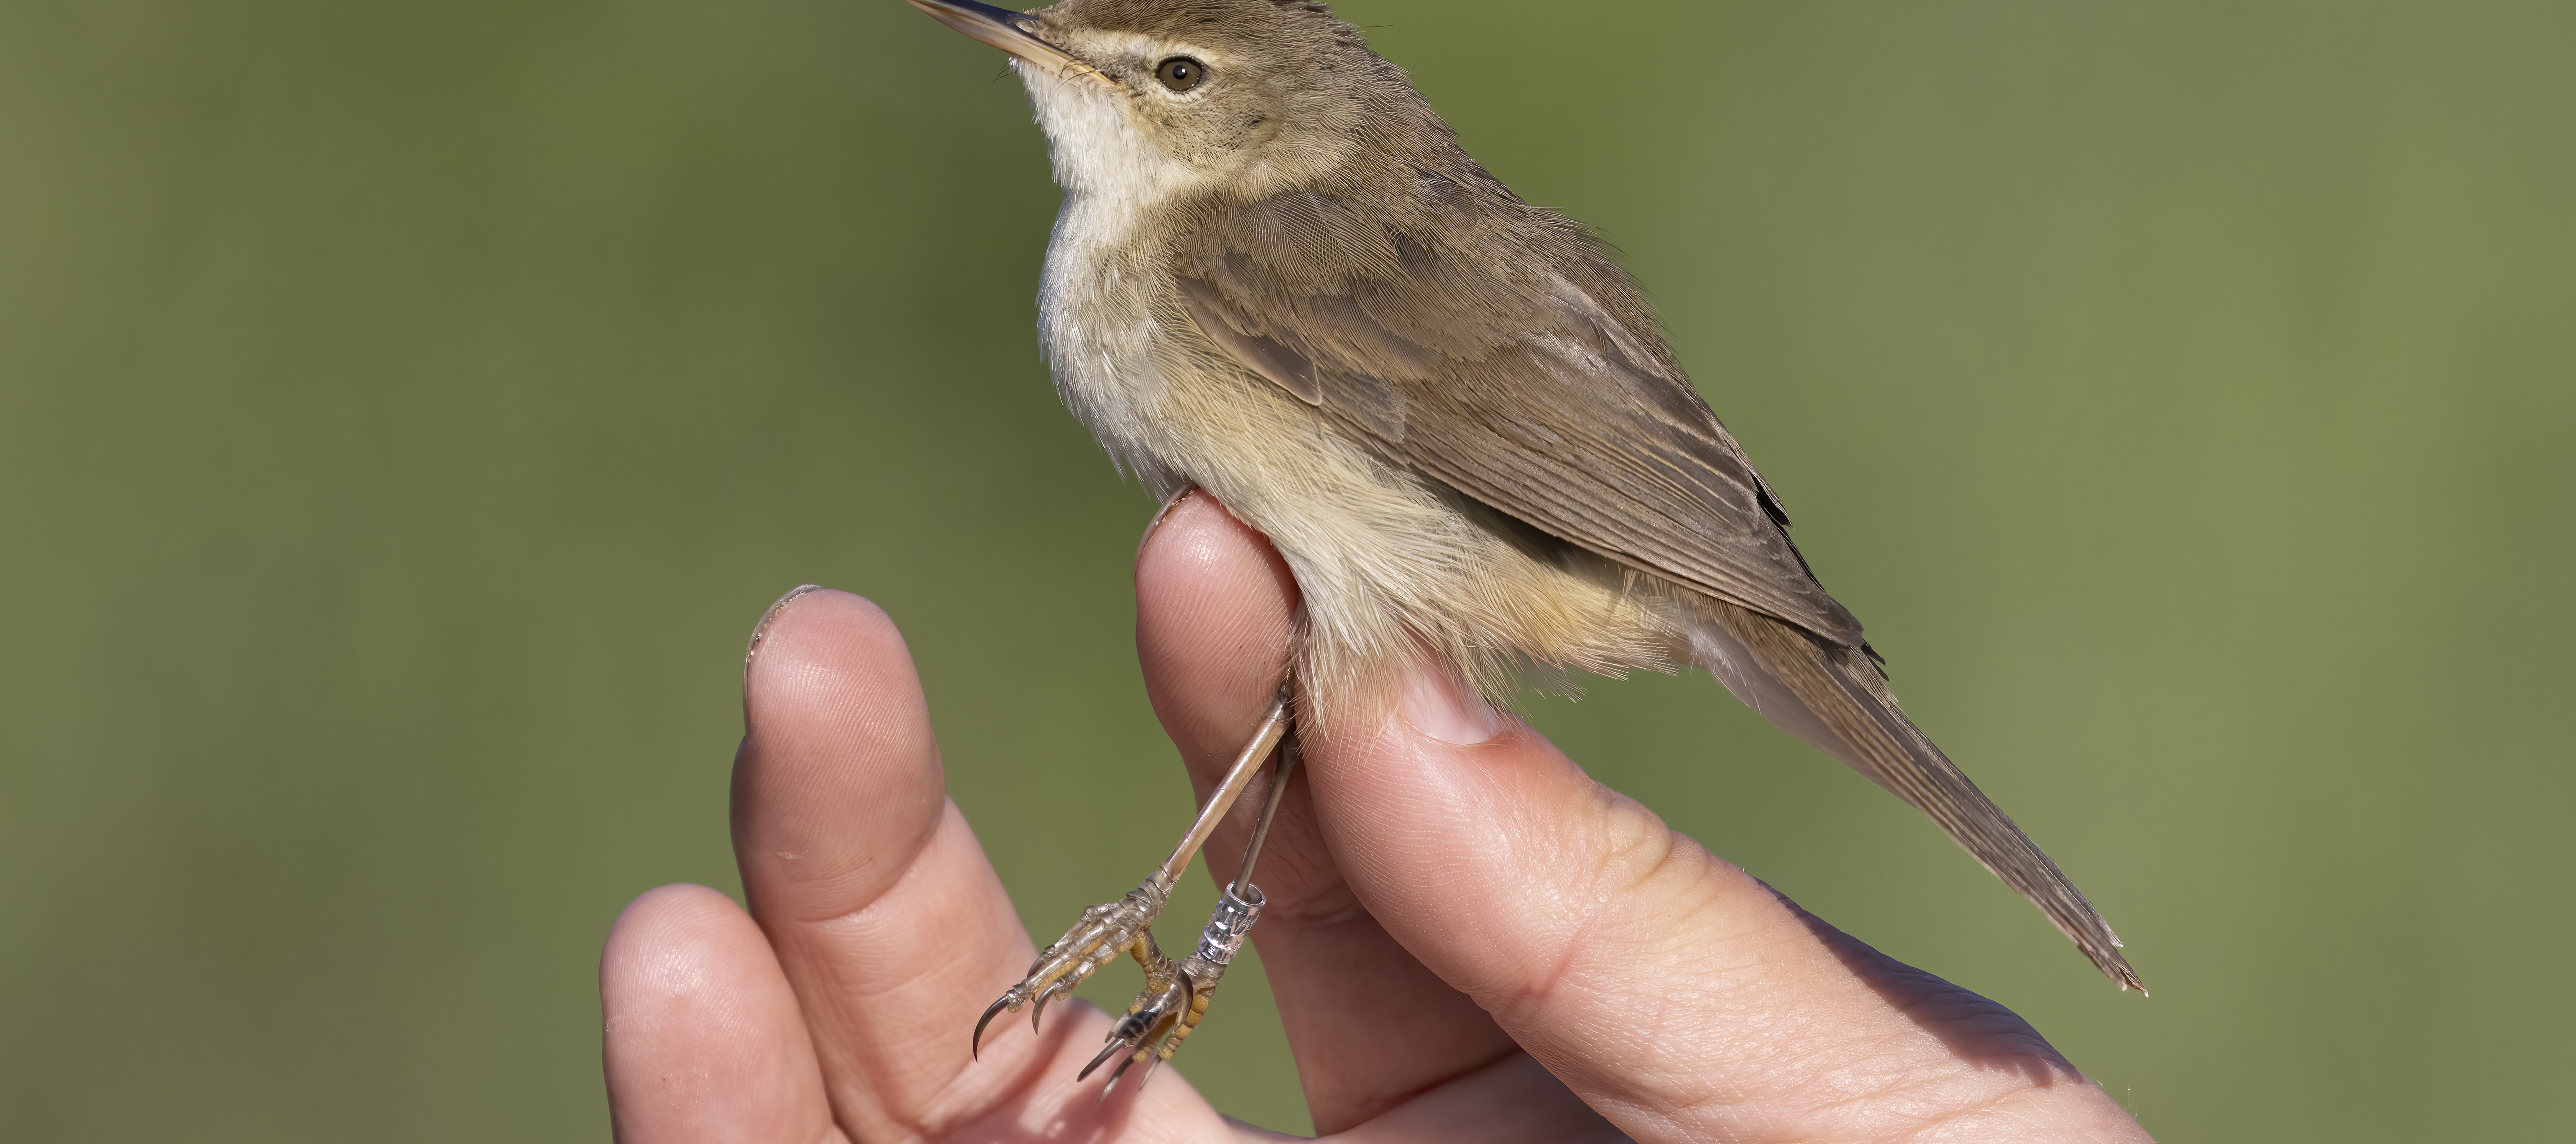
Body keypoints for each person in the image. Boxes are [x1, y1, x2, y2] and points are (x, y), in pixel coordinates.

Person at [600, 494, 2153, 1141]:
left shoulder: (1216, 252)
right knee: (1288, 699)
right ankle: (1175, 936)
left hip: (1564, 525)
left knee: (1320, 712)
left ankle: (1170, 936)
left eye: (1173, 75)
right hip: (1592, 533)